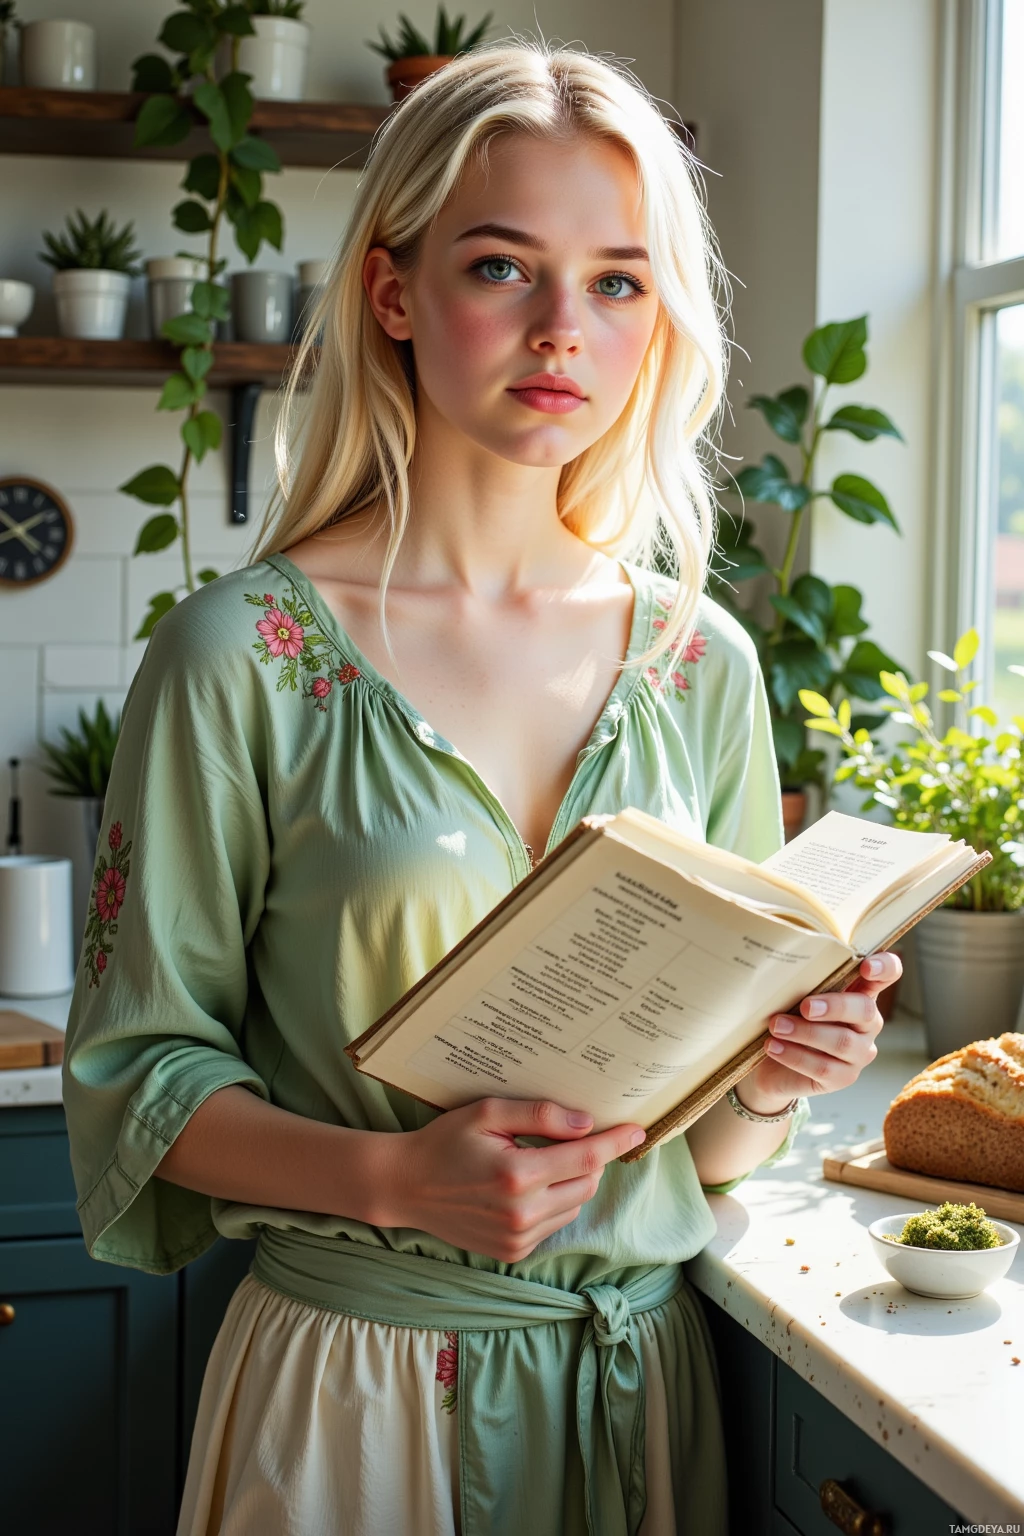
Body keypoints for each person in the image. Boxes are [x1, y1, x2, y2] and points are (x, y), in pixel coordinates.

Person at [62, 39, 900, 1536]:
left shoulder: (699, 662)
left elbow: (690, 1152)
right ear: (394, 293)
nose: (563, 329)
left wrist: (774, 1074)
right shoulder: (239, 654)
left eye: (619, 282)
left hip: (638, 1400)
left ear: (661, 321)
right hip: (348, 1400)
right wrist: (393, 1177)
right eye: (505, 266)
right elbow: (140, 1073)